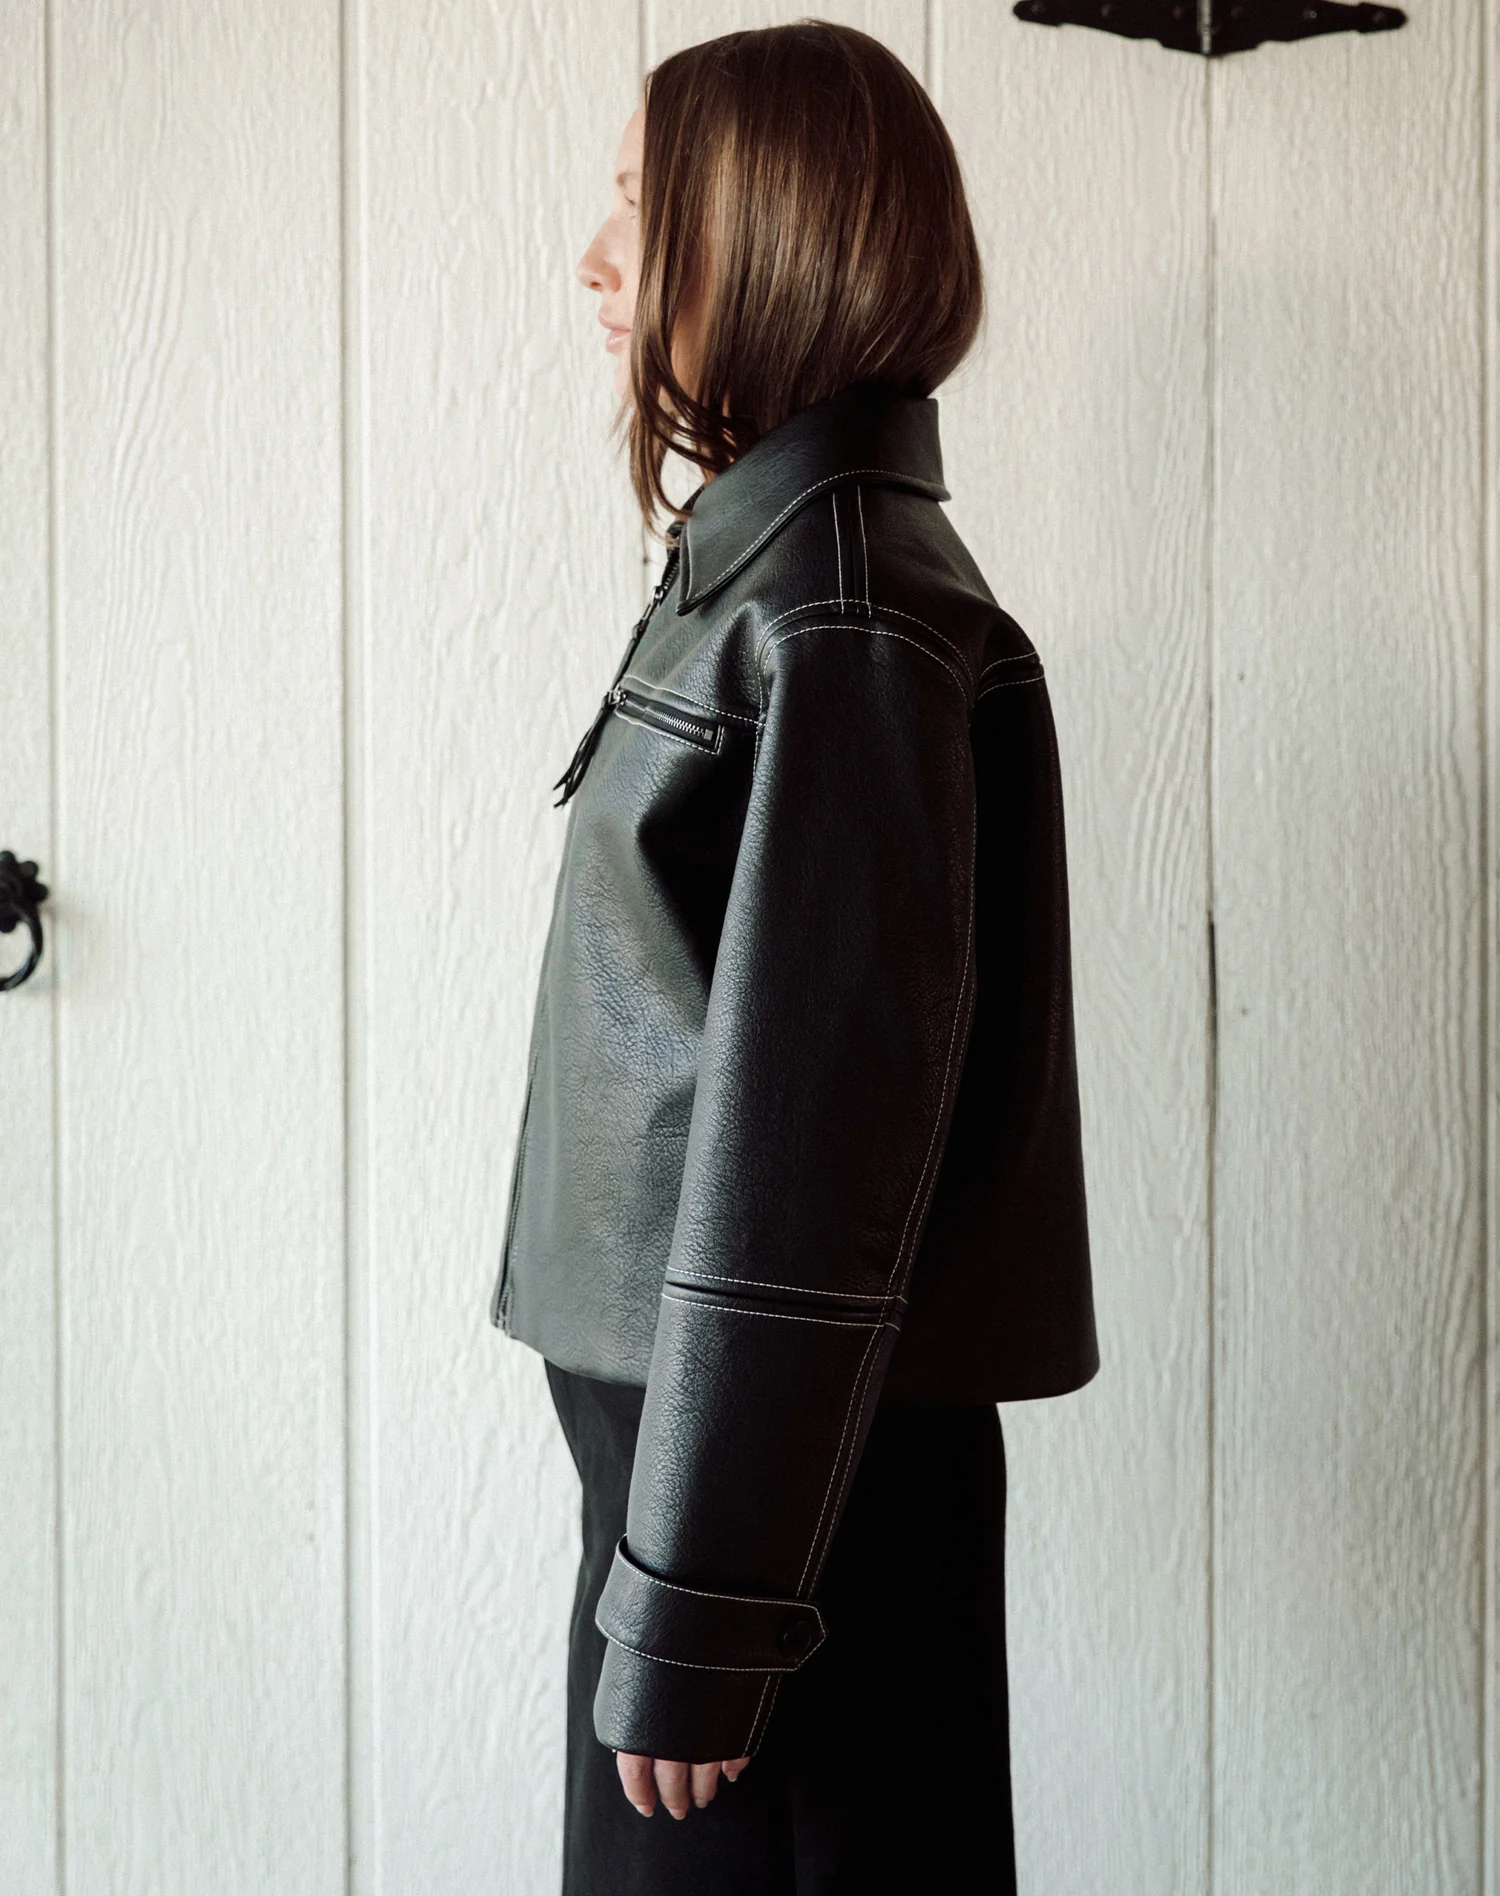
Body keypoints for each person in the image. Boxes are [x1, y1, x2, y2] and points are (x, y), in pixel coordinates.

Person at [488, 21, 1099, 1893]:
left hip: (775, 1530)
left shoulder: (839, 619)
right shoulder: (785, 583)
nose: (596, 257)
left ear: (768, 237)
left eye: (640, 203)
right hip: (722, 1496)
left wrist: (706, 1613)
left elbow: (809, 1172)